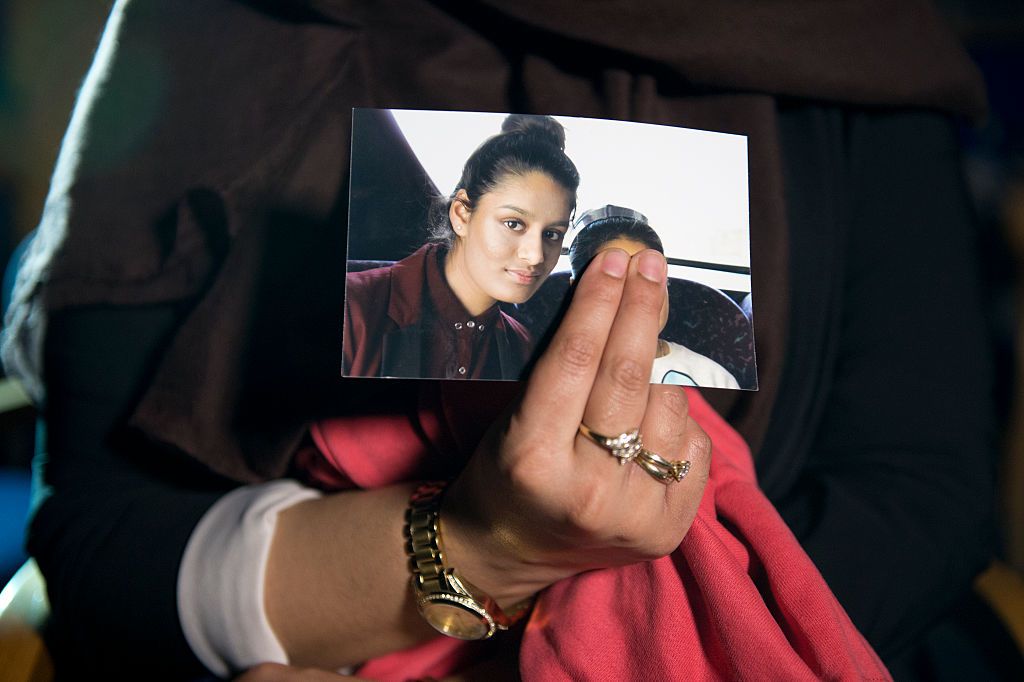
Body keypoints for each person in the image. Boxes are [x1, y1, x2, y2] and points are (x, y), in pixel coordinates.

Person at [0, 1, 998, 679]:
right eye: (511, 227)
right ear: (459, 209)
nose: (529, 256)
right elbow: (96, 544)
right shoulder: (229, 29)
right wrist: (487, 547)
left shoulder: (851, 37)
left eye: (550, 236)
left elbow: (921, 497)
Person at [343, 114, 579, 380]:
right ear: (461, 214)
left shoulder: (521, 348)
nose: (535, 255)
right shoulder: (352, 309)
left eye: (552, 233)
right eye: (513, 224)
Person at [567, 205, 741, 389]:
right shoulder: (561, 375)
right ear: (575, 290)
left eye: (650, 277)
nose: (638, 298)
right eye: (615, 279)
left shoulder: (715, 378)